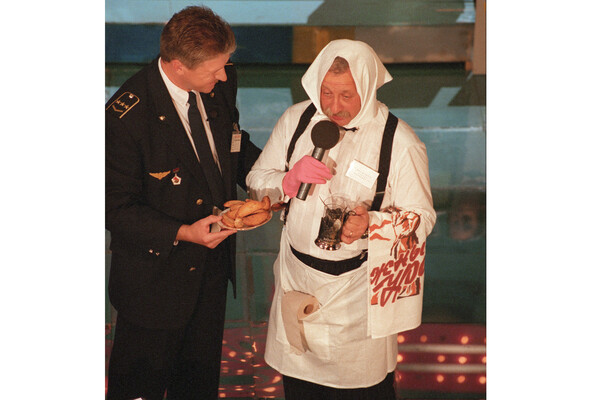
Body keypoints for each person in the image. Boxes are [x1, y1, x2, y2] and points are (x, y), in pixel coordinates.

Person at [246, 39, 436, 399]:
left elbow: (422, 218)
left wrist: (372, 225)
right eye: (327, 93)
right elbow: (257, 181)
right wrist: (285, 181)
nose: (334, 107)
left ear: (368, 86)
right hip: (295, 282)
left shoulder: (400, 141)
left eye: (347, 95)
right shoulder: (296, 120)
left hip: (356, 299)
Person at [105, 6, 261, 400]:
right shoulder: (125, 117)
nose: (223, 76)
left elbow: (233, 145)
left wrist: (274, 180)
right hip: (154, 285)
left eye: (225, 65)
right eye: (214, 69)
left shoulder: (220, 83)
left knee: (198, 387)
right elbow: (114, 208)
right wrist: (183, 232)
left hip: (210, 273)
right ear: (178, 66)